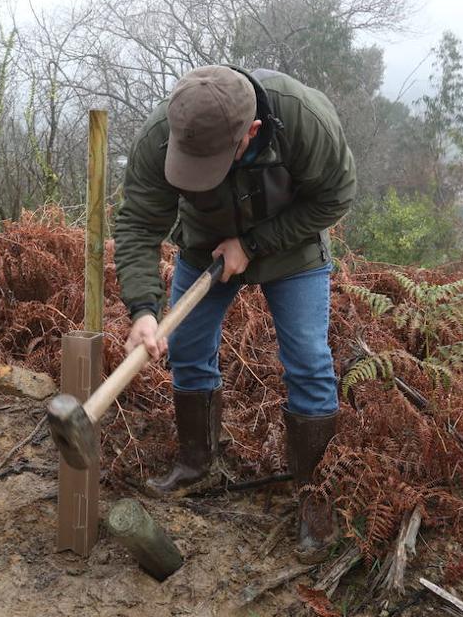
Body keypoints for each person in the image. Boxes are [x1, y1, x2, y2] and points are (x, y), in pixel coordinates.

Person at [113, 64, 356, 560]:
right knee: (186, 348)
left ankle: (315, 499)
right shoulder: (167, 131)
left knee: (309, 360)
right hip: (204, 245)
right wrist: (142, 309)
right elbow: (139, 222)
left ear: (252, 133)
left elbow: (335, 195)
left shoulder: (303, 118)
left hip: (292, 247)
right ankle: (198, 462)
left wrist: (253, 243)